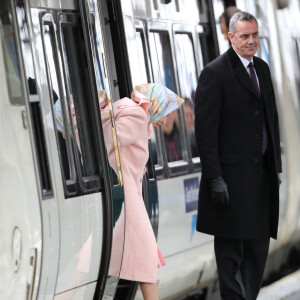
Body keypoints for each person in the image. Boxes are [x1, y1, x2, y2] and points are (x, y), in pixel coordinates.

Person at [194, 11, 282, 300]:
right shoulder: (214, 73)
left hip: (260, 180)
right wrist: (215, 178)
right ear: (231, 37)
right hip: (230, 182)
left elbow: (271, 119)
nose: (251, 41)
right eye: (244, 36)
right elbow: (205, 133)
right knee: (231, 256)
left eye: (255, 35)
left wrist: (275, 169)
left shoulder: (263, 70)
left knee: (257, 252)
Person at [100, 83, 184, 300]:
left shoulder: (137, 116)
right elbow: (113, 138)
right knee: (146, 255)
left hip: (127, 192)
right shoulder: (138, 116)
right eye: (166, 113)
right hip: (127, 193)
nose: (165, 120)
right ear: (155, 105)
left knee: (134, 255)